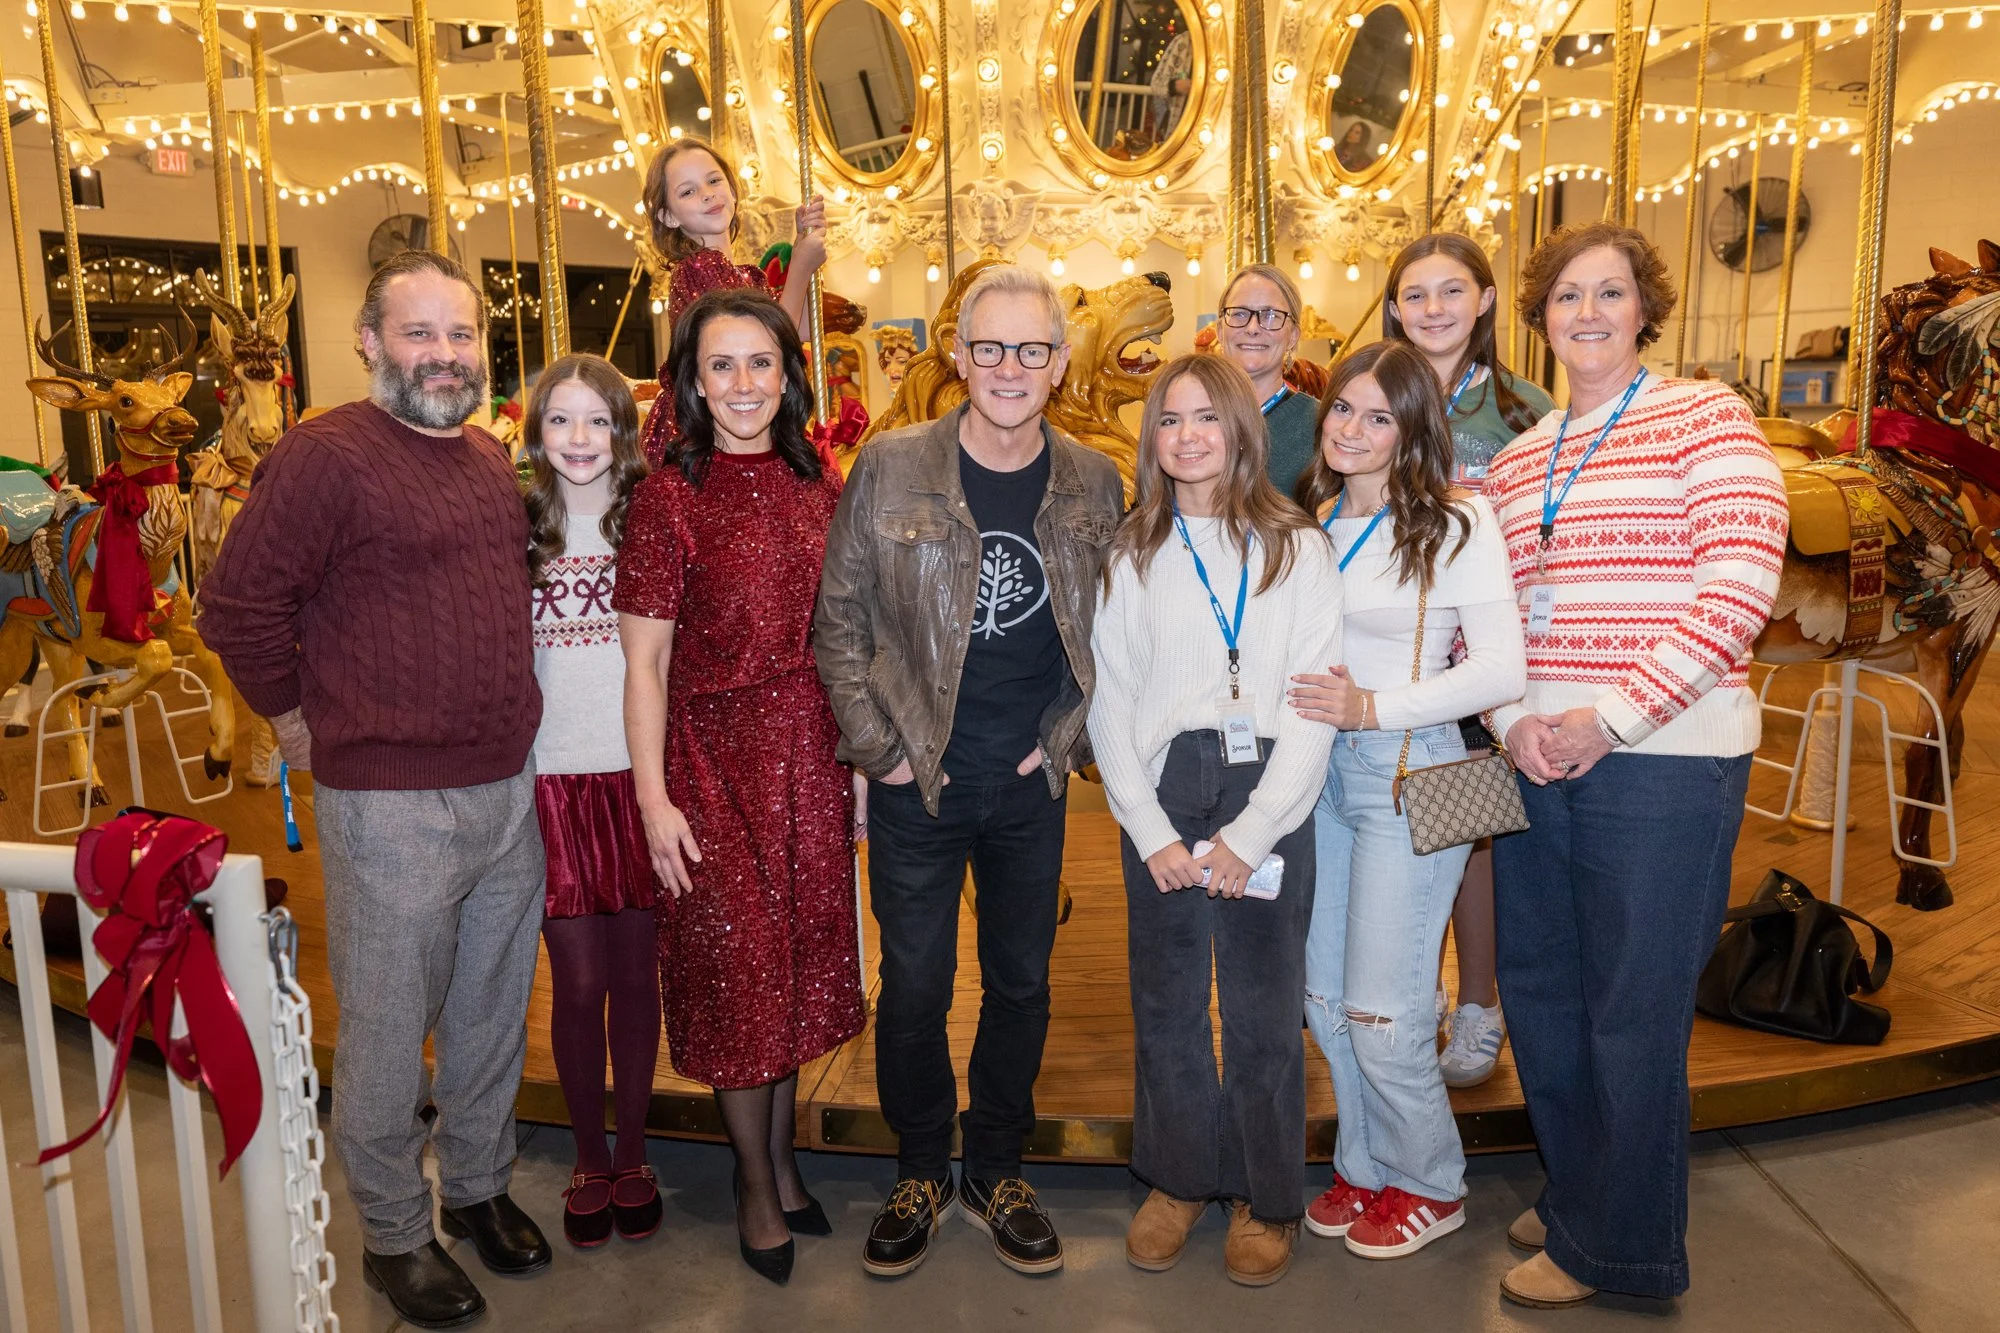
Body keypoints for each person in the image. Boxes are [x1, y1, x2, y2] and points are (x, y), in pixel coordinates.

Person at [197, 249, 549, 1330]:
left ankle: (481, 1182)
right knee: (392, 1027)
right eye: (419, 334)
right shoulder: (327, 454)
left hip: (503, 785)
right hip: (393, 799)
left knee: (492, 1009)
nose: (443, 356)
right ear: (367, 342)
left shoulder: (488, 458)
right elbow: (238, 605)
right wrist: (298, 721)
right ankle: (395, 1233)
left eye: (460, 336)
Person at [1483, 222, 1786, 1308]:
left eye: (1608, 293)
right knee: (1544, 990)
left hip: (1659, 756)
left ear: (1642, 307)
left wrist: (1605, 716)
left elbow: (1739, 580)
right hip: (1538, 754)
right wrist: (1515, 715)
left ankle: (1620, 1247)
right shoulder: (1520, 456)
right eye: (1566, 296)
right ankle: (1580, 1190)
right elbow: (1498, 616)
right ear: (1540, 314)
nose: (1587, 313)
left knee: (1630, 1006)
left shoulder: (1701, 414)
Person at [814, 263, 1124, 1279]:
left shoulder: (1092, 481)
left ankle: (995, 1165)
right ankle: (917, 1165)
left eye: (1028, 348)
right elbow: (840, 624)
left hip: (1027, 784)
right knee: (912, 985)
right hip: (919, 777)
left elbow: (1115, 637)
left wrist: (1066, 740)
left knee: (1021, 983)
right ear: (956, 353)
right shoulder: (891, 467)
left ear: (1059, 361)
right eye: (987, 346)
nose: (1006, 367)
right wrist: (882, 750)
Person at [615, 288, 866, 1286]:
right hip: (708, 761)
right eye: (721, 365)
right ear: (691, 380)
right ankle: (752, 1187)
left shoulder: (820, 480)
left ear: (788, 373)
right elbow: (641, 665)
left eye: (760, 362)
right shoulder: (668, 494)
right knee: (737, 977)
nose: (743, 384)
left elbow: (846, 636)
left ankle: (785, 1160)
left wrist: (854, 765)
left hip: (807, 752)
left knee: (795, 970)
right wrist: (651, 797)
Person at [1089, 355, 1339, 1287]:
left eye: (1207, 417)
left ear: (1243, 428)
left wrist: (1255, 831)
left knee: (1265, 1009)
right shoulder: (1130, 551)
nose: (1188, 435)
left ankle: (1266, 1197)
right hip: (1162, 787)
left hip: (1268, 790)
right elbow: (1111, 705)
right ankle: (1178, 1176)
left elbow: (1315, 706)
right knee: (1166, 1004)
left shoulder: (1298, 549)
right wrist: (1149, 829)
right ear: (1152, 437)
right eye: (1169, 419)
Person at [1285, 340, 1526, 1258]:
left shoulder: (1457, 522)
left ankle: (1433, 1179)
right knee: (1327, 1000)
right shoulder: (1312, 520)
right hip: (1321, 777)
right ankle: (1366, 1162)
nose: (1352, 428)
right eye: (1343, 408)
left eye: (1378, 415)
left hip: (1408, 770)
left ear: (1413, 427)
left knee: (1387, 1006)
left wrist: (1373, 705)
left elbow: (1501, 669)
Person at [1382, 233, 1556, 1090]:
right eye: (1416, 295)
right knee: (1399, 828)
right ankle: (1413, 995)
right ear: (1393, 308)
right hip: (1394, 646)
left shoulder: (1523, 408)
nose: (1435, 309)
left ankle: (1480, 1001)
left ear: (1484, 300)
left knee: (1471, 830)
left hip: (1477, 652)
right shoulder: (1378, 392)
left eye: (1453, 291)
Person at [520, 354, 663, 1250]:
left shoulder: (646, 522)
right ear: (536, 433)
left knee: (635, 975)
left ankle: (637, 1150)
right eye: (560, 421)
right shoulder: (518, 528)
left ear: (623, 431)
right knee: (575, 981)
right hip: (552, 782)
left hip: (637, 777)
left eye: (596, 421)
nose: (579, 440)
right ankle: (585, 1153)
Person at [637, 137, 826, 467]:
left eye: (713, 180)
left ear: (733, 191)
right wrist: (799, 263)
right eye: (688, 191)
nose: (707, 193)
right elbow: (776, 342)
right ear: (668, 216)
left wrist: (806, 251)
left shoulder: (747, 276)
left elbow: (805, 329)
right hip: (706, 433)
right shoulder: (699, 268)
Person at [1214, 264, 1319, 496]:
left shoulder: (1320, 424)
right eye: (1239, 313)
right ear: (1220, 331)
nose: (1253, 328)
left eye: (1270, 315)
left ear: (1293, 335)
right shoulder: (1188, 416)